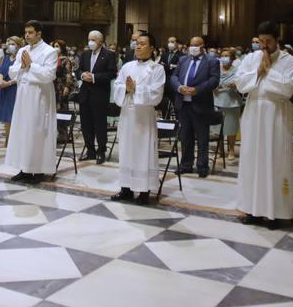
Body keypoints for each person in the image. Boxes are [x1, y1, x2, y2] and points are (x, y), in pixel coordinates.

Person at [235, 21, 293, 227]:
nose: (263, 46)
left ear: (276, 39)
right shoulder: (251, 58)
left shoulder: (289, 61)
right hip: (254, 111)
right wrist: (257, 72)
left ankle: (275, 212)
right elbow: (240, 83)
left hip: (276, 113)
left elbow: (288, 88)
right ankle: (252, 209)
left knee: (275, 160)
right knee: (252, 160)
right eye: (260, 41)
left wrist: (268, 71)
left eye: (268, 41)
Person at [111, 33, 165, 204]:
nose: (138, 46)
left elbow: (157, 95)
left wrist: (136, 89)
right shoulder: (127, 66)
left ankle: (143, 191)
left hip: (144, 117)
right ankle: (125, 188)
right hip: (127, 114)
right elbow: (117, 86)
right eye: (136, 43)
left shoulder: (157, 69)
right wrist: (126, 90)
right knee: (126, 150)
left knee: (143, 151)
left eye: (142, 44)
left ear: (151, 48)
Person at [6, 20, 57, 183]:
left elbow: (49, 75)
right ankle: (24, 168)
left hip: (39, 97)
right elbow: (12, 72)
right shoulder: (23, 50)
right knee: (22, 131)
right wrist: (22, 67)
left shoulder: (50, 51)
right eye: (25, 32)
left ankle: (38, 170)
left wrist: (31, 65)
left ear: (39, 33)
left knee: (37, 131)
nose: (27, 35)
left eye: (30, 32)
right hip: (23, 95)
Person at [170, 35, 220, 177]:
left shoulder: (212, 61)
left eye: (196, 45)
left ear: (202, 46)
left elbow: (214, 80)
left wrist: (196, 90)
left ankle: (202, 166)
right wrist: (179, 87)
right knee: (185, 136)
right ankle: (186, 164)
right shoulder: (183, 59)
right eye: (191, 44)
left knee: (202, 137)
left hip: (201, 104)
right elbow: (174, 76)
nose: (193, 47)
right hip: (183, 104)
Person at [75, 29, 118, 163]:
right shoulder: (85, 54)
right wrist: (82, 75)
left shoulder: (109, 54)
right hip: (85, 94)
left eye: (93, 40)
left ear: (100, 41)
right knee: (86, 124)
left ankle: (101, 151)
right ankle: (90, 150)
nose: (90, 42)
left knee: (99, 124)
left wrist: (93, 77)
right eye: (89, 39)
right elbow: (78, 70)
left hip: (100, 94)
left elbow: (111, 73)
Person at [214, 48, 243, 157]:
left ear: (232, 58)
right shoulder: (216, 70)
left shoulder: (238, 70)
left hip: (232, 101)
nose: (224, 58)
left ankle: (231, 150)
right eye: (222, 56)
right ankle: (220, 150)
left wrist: (235, 85)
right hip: (217, 100)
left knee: (231, 127)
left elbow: (241, 84)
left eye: (227, 56)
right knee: (217, 128)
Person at [0, 36, 20, 140]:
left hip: (14, 89)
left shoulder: (20, 58)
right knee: (5, 116)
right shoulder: (6, 57)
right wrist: (1, 81)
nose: (10, 46)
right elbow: (1, 71)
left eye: (13, 44)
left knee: (13, 115)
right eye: (9, 44)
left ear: (19, 46)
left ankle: (13, 139)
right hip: (5, 89)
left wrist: (8, 83)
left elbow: (20, 75)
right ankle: (7, 138)